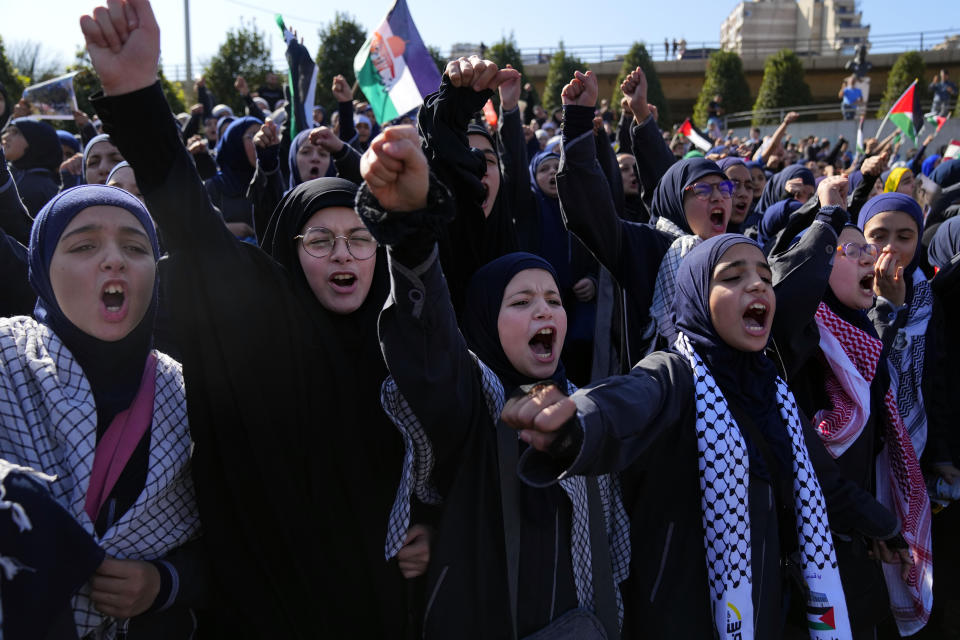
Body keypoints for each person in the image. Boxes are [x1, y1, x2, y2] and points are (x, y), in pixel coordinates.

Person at [79, 2, 425, 634]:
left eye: (359, 238)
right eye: (319, 241)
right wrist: (135, 93)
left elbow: (450, 451)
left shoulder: (402, 337)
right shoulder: (268, 316)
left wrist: (428, 523)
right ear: (288, 252)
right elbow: (192, 221)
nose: (344, 254)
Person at [504, 234, 901, 639]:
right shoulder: (675, 374)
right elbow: (624, 401)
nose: (757, 284)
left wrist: (886, 528)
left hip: (764, 613)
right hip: (682, 618)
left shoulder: (772, 391)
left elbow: (824, 482)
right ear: (695, 295)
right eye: (732, 276)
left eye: (765, 276)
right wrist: (573, 424)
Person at [359, 123, 629, 639]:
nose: (544, 310)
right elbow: (430, 340)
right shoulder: (476, 398)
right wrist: (412, 231)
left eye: (553, 300)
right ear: (484, 321)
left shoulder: (589, 409)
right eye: (521, 302)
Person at [0, 184, 204, 637]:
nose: (114, 260)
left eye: (135, 246)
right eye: (84, 245)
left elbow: (242, 537)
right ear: (41, 268)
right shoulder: (4, 359)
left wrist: (165, 583)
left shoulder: (187, 393)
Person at [1, 117, 62, 216]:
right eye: (7, 131)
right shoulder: (9, 172)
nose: (5, 137)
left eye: (15, 132)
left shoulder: (42, 187)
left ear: (36, 141)